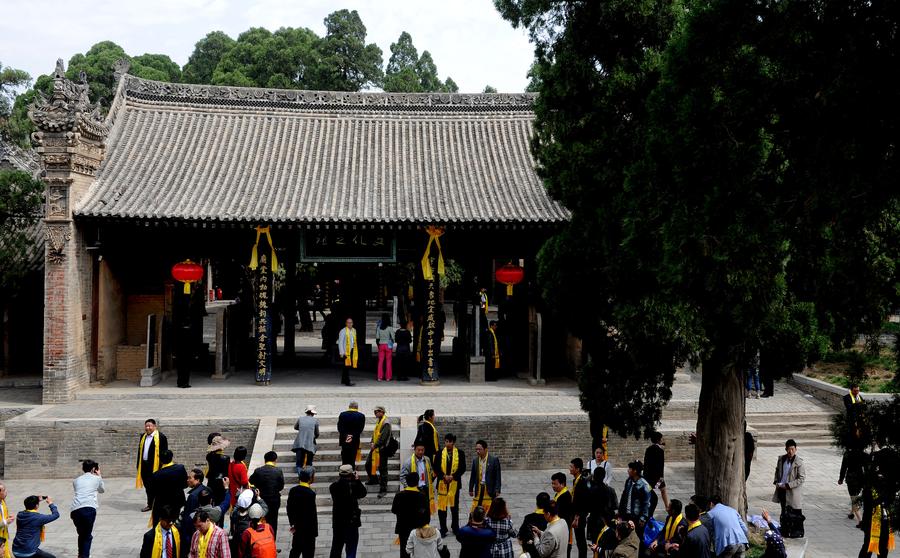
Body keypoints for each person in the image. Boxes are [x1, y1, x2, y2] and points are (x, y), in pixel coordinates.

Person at [329, 464, 367, 558]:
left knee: (336, 548)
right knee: (351, 549)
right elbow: (363, 493)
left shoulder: (333, 487)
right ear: (351, 474)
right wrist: (357, 480)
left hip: (338, 523)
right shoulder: (354, 487)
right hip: (351, 522)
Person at [70, 459, 104, 558]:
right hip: (88, 509)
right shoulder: (97, 479)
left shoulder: (76, 480)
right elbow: (102, 490)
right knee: (87, 536)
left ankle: (80, 554)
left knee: (82, 534)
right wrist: (99, 476)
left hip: (75, 510)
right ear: (94, 468)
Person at [436, 433, 467, 537]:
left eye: (449, 441)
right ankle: (443, 528)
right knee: (442, 507)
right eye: (446, 441)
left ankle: (455, 527)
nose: (447, 443)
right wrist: (443, 476)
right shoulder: (439, 453)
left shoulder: (460, 453)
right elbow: (435, 467)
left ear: (453, 442)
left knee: (454, 507)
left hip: (454, 483)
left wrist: (453, 476)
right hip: (442, 483)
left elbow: (462, 468)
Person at [393, 472, 430, 558]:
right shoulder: (422, 496)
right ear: (417, 482)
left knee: (404, 551)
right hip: (418, 528)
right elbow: (427, 515)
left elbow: (394, 510)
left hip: (403, 528)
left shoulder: (399, 495)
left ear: (407, 482)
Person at [249, 451, 285, 535]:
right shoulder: (278, 471)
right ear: (275, 460)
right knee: (273, 521)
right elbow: (281, 486)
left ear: (265, 460)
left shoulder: (258, 471)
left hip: (261, 500)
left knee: (261, 520)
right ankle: (272, 542)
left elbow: (251, 481)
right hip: (274, 500)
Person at [137, 418, 168, 512]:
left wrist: (163, 467)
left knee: (156, 487)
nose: (147, 428)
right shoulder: (143, 436)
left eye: (150, 426)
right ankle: (150, 504)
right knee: (148, 487)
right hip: (144, 466)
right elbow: (140, 452)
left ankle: (159, 504)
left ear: (155, 426)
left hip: (156, 466)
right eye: (146, 426)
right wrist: (138, 464)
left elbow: (164, 453)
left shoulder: (161, 437)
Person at [287, 467, 318, 558]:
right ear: (310, 478)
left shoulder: (293, 490)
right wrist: (314, 532)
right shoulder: (310, 494)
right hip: (308, 530)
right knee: (308, 553)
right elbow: (312, 515)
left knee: (295, 550)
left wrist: (292, 523)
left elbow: (289, 508)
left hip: (297, 528)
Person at [151, 450, 188, 526]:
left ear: (160, 460)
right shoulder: (180, 468)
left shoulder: (156, 475)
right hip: (178, 501)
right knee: (175, 521)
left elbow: (153, 492)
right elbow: (185, 485)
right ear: (171, 457)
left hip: (163, 504)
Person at [617, 461, 651, 539]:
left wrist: (643, 517)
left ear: (635, 471)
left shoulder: (645, 485)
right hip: (626, 514)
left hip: (636, 516)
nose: (628, 470)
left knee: (636, 537)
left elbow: (646, 503)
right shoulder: (628, 481)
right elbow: (623, 497)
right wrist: (620, 512)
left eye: (630, 469)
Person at [771, 439, 804, 518]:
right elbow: (777, 470)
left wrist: (788, 485)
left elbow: (801, 478)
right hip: (782, 489)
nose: (791, 451)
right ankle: (783, 528)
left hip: (792, 492)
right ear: (786, 449)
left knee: (793, 514)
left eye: (793, 449)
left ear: (796, 449)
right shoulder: (781, 460)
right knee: (783, 511)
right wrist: (776, 481)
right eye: (789, 449)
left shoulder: (799, 462)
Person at [402, 443, 436, 519]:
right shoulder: (408, 462)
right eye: (418, 450)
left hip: (426, 489)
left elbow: (430, 471)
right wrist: (408, 487)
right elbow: (403, 476)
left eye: (422, 450)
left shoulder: (427, 460)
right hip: (415, 490)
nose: (420, 452)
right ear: (414, 450)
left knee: (426, 511)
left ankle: (425, 526)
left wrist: (432, 476)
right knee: (416, 511)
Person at [366, 405, 393, 496]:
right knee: (368, 464)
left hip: (382, 449)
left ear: (382, 412)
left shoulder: (386, 423)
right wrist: (372, 442)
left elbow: (383, 438)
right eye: (374, 412)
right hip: (375, 448)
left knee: (383, 469)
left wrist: (375, 445)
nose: (375, 413)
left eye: (376, 412)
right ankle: (374, 479)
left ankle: (383, 488)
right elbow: (375, 433)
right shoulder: (379, 421)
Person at [470, 440, 502, 514]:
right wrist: (471, 488)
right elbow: (473, 476)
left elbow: (498, 476)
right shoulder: (475, 461)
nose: (477, 451)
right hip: (479, 488)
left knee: (489, 511)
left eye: (479, 449)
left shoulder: (493, 460)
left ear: (485, 449)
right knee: (476, 509)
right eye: (476, 449)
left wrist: (497, 489)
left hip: (489, 489)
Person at [180, 469, 206, 557]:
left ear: (197, 480)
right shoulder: (205, 490)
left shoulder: (193, 496)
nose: (187, 480)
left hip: (191, 532)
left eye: (190, 478)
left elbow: (188, 518)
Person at [644, 432, 669, 517]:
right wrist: (661, 477)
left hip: (648, 477)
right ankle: (667, 507)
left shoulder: (648, 449)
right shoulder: (660, 450)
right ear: (659, 440)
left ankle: (646, 506)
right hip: (657, 477)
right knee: (663, 490)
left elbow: (646, 464)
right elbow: (661, 465)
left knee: (648, 491)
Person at [587, 468, 618, 537]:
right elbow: (615, 506)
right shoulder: (611, 490)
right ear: (604, 476)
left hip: (594, 521)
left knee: (594, 542)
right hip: (607, 521)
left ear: (594, 476)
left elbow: (587, 507)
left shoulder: (590, 491)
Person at [839, 447, 866, 524]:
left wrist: (841, 479)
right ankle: (851, 513)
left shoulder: (847, 454)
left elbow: (843, 467)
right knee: (855, 496)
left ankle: (860, 520)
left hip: (851, 478)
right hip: (861, 478)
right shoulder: (864, 454)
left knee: (854, 498)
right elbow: (867, 468)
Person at [519, 494, 551, 558]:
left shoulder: (528, 518)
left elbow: (521, 536)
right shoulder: (552, 519)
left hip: (532, 552)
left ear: (537, 503)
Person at [550, 473, 573, 558]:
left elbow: (564, 516)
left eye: (555, 484)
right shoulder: (558, 494)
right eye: (552, 483)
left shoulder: (565, 496)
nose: (553, 486)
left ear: (562, 484)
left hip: (564, 530)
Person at [570, 459, 590, 558]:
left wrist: (577, 517)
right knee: (578, 539)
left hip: (580, 516)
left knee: (581, 539)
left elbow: (582, 502)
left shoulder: (582, 482)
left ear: (577, 469)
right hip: (575, 514)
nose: (570, 469)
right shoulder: (576, 480)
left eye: (571, 467)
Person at [292, 405, 320, 473]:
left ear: (306, 412)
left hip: (299, 444)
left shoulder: (300, 418)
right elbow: (317, 433)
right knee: (309, 463)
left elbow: (295, 427)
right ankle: (307, 478)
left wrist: (303, 429)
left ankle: (300, 478)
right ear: (313, 413)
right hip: (310, 444)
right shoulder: (315, 421)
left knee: (299, 464)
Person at [338, 401, 366, 466]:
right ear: (357, 407)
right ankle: (352, 472)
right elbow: (360, 430)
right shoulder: (361, 416)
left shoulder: (342, 414)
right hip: (354, 440)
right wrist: (351, 437)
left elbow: (339, 428)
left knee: (344, 458)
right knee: (352, 459)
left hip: (344, 440)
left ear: (349, 407)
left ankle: (344, 472)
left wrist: (347, 437)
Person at [206, 435, 231, 507]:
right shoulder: (226, 458)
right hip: (221, 482)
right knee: (220, 503)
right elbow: (226, 472)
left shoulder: (209, 456)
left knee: (210, 501)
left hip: (211, 481)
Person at [337, 317, 358, 386]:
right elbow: (340, 342)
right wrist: (342, 352)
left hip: (352, 350)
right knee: (347, 366)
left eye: (351, 322)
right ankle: (347, 381)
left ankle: (343, 380)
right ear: (346, 323)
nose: (350, 324)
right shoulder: (343, 331)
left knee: (346, 366)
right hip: (346, 351)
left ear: (353, 323)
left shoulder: (354, 330)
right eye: (348, 322)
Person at [376, 313, 395, 381]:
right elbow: (393, 337)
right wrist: (391, 342)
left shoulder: (379, 328)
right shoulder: (390, 328)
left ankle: (379, 377)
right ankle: (388, 377)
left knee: (380, 361)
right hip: (388, 345)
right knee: (388, 361)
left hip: (381, 345)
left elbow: (377, 337)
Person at [0, 482, 13, 558]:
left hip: (4, 536)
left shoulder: (3, 502)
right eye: (4, 490)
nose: (6, 492)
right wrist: (6, 522)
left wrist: (8, 518)